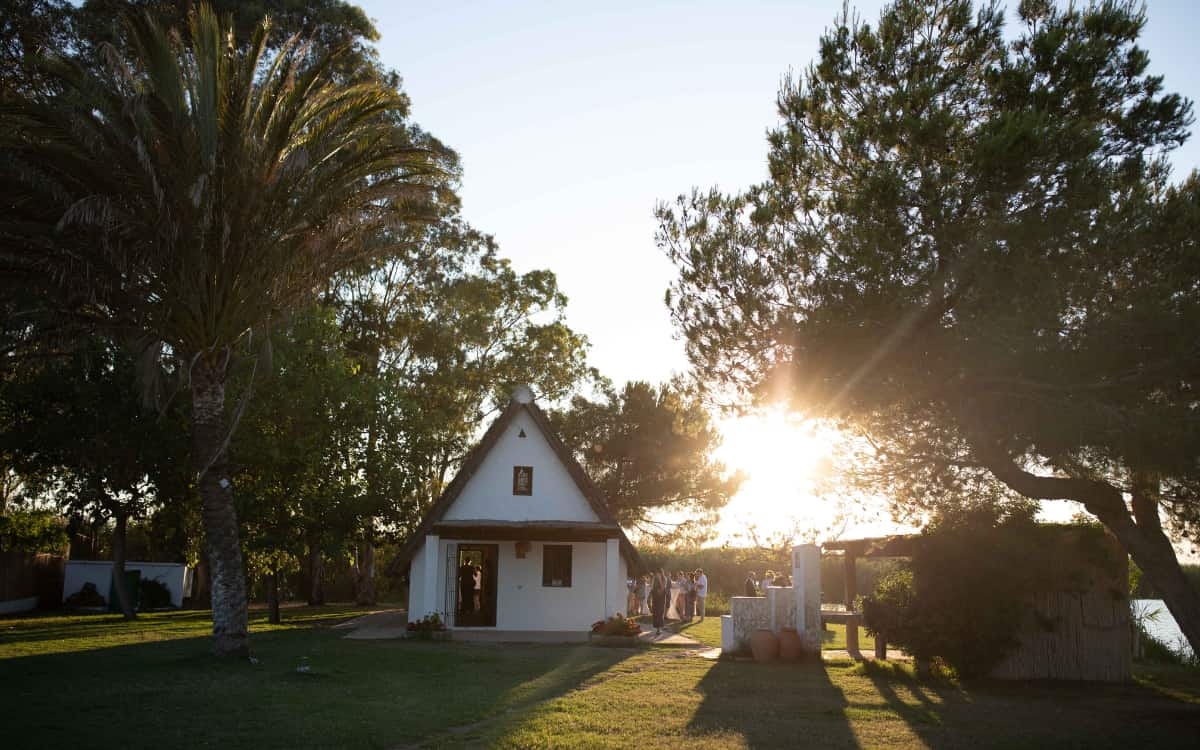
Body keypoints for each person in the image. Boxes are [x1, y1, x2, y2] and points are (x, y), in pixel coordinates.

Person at [650, 570, 667, 634]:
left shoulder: (664, 579)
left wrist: (659, 579)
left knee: (660, 612)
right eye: (656, 573)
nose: (657, 574)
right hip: (655, 598)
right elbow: (652, 588)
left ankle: (659, 628)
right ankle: (657, 628)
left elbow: (663, 588)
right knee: (655, 613)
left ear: (661, 573)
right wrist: (654, 579)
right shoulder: (654, 579)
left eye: (658, 573)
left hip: (661, 598)